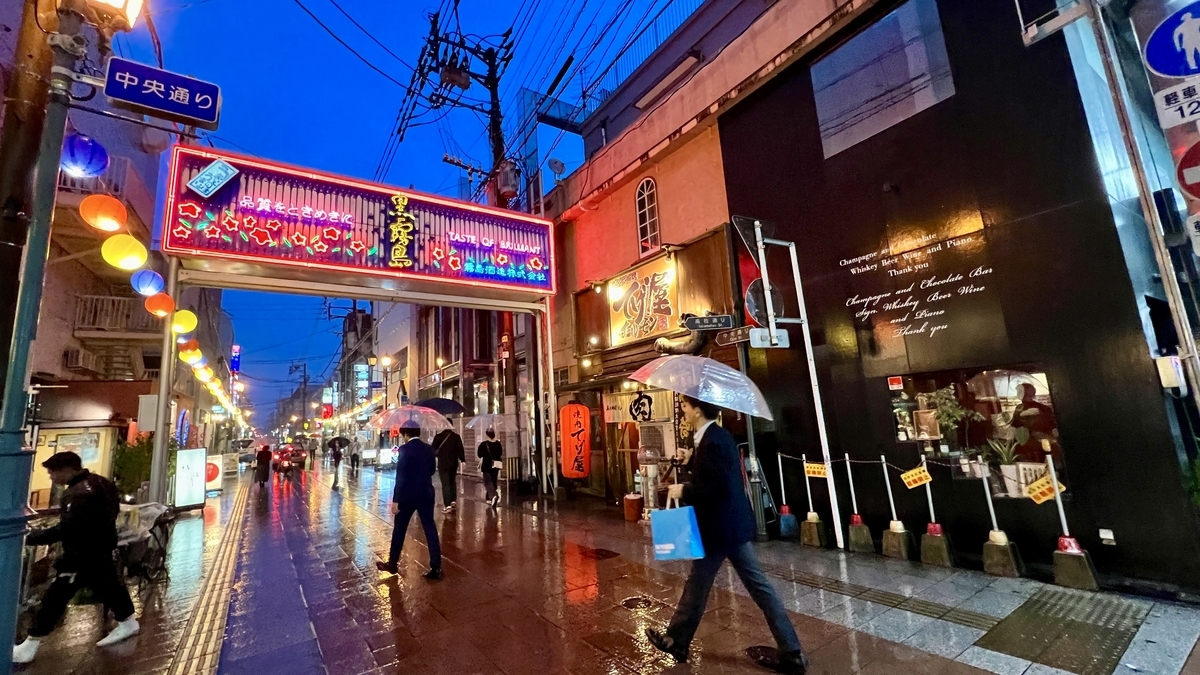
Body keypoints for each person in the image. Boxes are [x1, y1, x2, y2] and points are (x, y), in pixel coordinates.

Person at [646, 396, 807, 674]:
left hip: (721, 528)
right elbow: (714, 475)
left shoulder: (714, 441)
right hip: (726, 527)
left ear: (697, 410)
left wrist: (683, 490)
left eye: (685, 405)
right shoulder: (715, 437)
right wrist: (691, 458)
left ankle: (792, 653)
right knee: (709, 584)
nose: (682, 409)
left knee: (746, 587)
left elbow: (716, 488)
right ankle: (679, 640)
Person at [13, 452, 139, 664]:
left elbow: (67, 529)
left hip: (80, 555)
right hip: (101, 548)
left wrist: (31, 538)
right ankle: (128, 621)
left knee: (55, 597)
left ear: (67, 469)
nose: (51, 477)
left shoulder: (77, 495)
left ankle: (31, 643)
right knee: (109, 585)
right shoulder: (100, 483)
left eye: (53, 472)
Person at [376, 422, 443, 580]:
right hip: (426, 493)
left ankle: (392, 564)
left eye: (402, 435)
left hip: (407, 496)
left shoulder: (404, 450)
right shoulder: (428, 449)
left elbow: (401, 475)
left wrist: (396, 500)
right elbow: (433, 470)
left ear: (406, 434)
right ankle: (436, 566)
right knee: (430, 528)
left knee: (399, 529)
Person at [432, 425, 465, 513]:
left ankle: (447, 505)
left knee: (445, 484)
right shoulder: (456, 437)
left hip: (443, 464)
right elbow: (460, 449)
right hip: (453, 463)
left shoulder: (438, 437)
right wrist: (463, 460)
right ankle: (453, 500)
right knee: (452, 481)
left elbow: (433, 450)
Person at [477, 429, 503, 507]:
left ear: (487, 435)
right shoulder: (498, 444)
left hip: (487, 465)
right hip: (496, 465)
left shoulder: (483, 444)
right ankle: (489, 499)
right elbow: (500, 453)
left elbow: (479, 454)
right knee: (493, 481)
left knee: (487, 482)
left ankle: (494, 495)